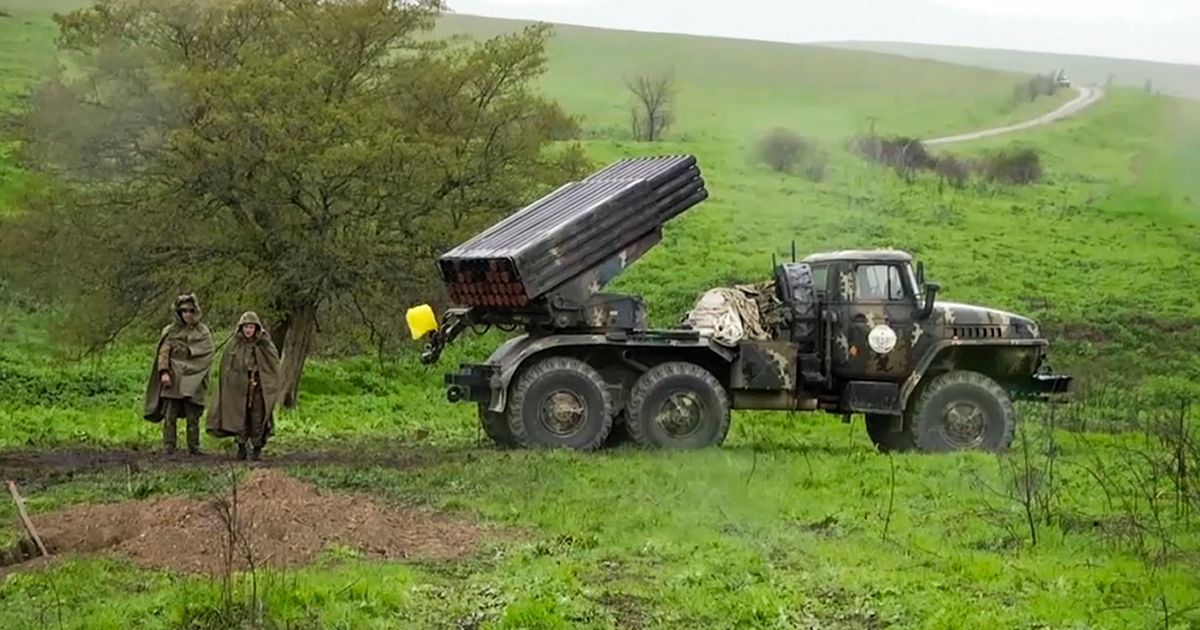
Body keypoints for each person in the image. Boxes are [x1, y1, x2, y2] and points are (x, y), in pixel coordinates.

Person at [143, 293, 216, 456]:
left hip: (194, 379)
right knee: (170, 414)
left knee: (193, 415)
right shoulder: (170, 331)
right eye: (184, 311)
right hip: (173, 378)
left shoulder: (203, 332)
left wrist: (198, 374)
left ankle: (194, 446)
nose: (187, 314)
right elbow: (163, 353)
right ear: (179, 313)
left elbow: (207, 354)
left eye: (191, 310)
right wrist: (164, 372)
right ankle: (169, 446)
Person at [207, 311, 282, 461]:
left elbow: (272, 366)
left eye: (251, 327)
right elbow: (227, 369)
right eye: (246, 327)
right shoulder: (234, 345)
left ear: (256, 328)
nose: (248, 330)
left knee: (257, 418)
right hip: (239, 389)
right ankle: (241, 447)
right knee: (239, 418)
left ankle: (257, 449)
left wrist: (263, 382)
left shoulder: (264, 344)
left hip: (258, 389)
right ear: (241, 328)